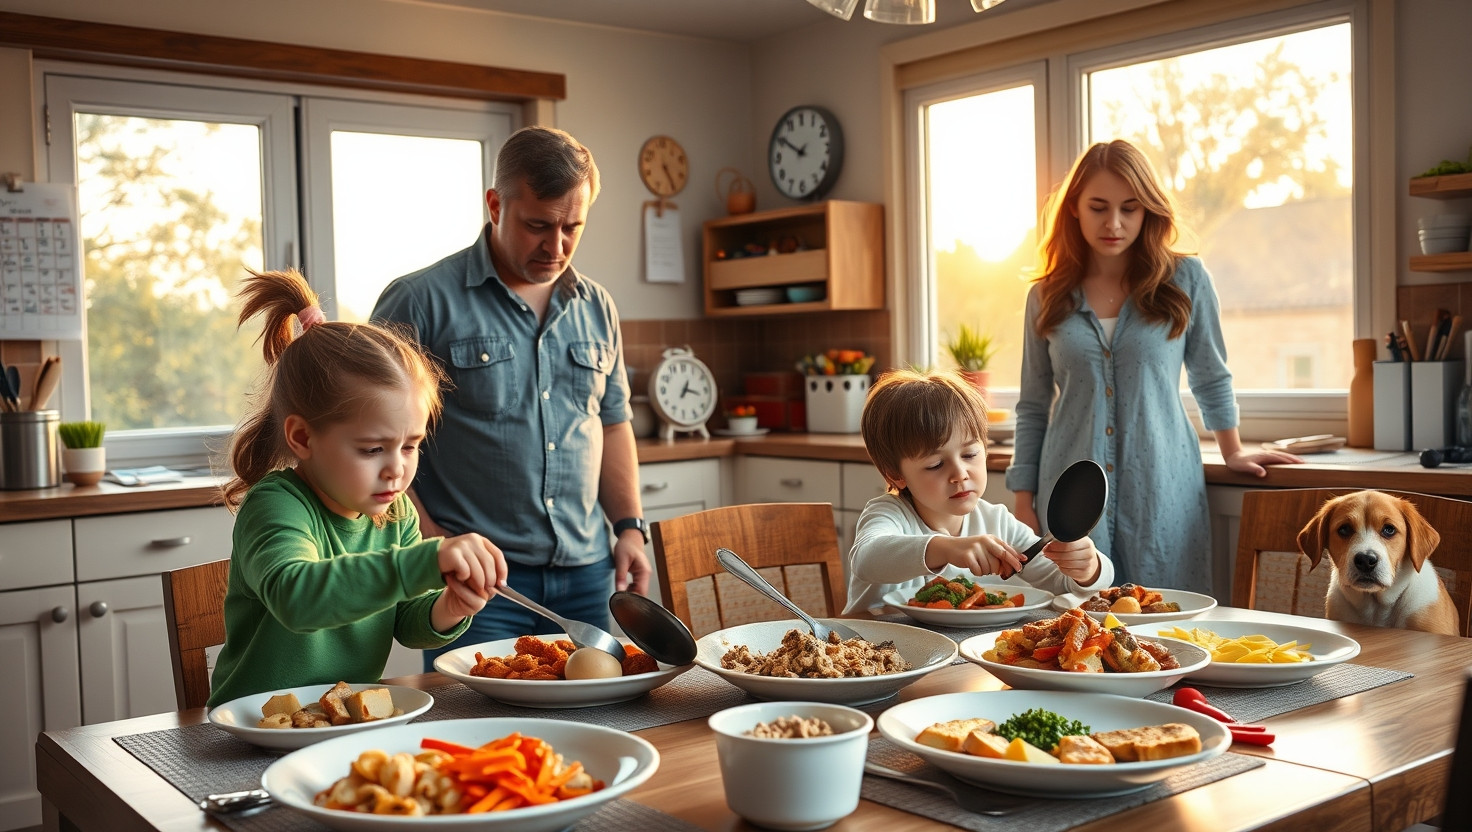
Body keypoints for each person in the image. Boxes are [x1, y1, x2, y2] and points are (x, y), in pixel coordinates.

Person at [372, 126, 651, 670]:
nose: (557, 246)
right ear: (496, 205)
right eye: (538, 225)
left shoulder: (597, 306)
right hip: (478, 584)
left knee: (597, 714)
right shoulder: (419, 301)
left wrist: (629, 529)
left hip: (588, 576)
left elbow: (613, 423)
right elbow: (375, 440)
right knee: (480, 720)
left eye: (572, 227)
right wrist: (429, 540)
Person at [1006, 139, 1303, 594]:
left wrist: (1233, 450)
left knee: (1164, 616)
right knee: (1073, 621)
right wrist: (1023, 500)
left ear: (1148, 210)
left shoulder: (1186, 280)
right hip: (1069, 492)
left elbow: (1210, 375)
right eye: (1098, 207)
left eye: (1130, 208)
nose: (1114, 223)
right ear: (1074, 209)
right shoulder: (1045, 296)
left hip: (1165, 487)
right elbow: (1032, 405)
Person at [208, 268, 507, 708]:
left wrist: (451, 606)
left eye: (411, 446)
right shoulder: (276, 505)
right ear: (303, 438)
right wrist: (428, 559)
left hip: (346, 718)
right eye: (372, 449)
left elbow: (408, 622)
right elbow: (297, 598)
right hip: (254, 726)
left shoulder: (396, 513)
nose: (396, 470)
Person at [844, 369, 1114, 614]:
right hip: (873, 646)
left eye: (970, 454)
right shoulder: (889, 514)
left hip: (962, 650)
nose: (960, 473)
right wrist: (945, 548)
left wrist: (1088, 568)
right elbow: (866, 559)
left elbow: (1060, 582)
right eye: (935, 464)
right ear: (896, 475)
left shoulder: (998, 522)